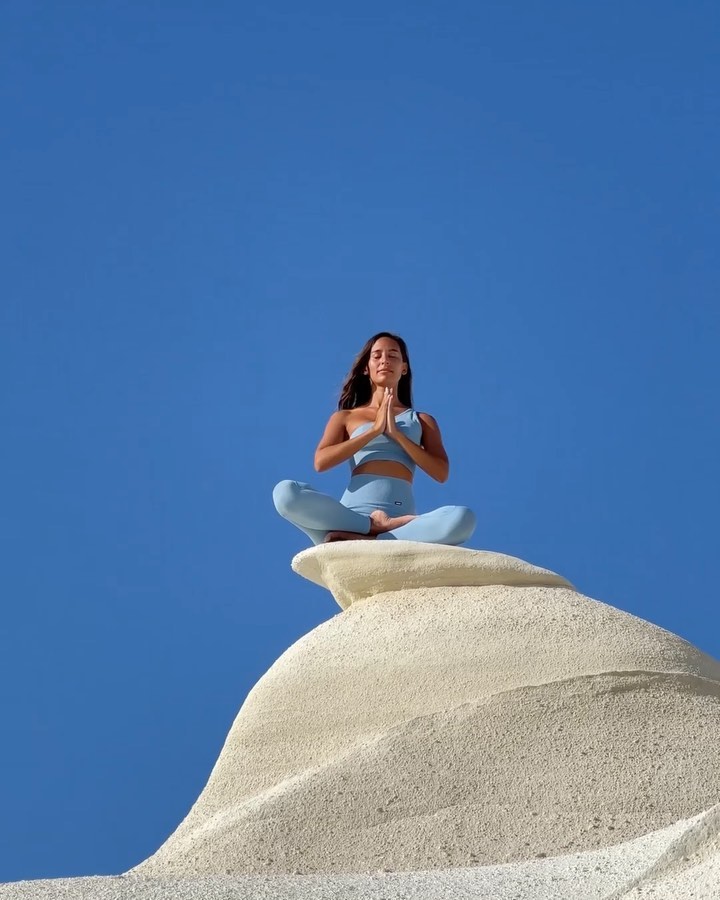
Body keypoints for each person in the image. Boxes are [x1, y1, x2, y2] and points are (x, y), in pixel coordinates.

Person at [272, 332, 476, 545]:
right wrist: (374, 430)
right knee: (285, 493)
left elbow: (441, 472)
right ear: (366, 368)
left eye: (393, 355)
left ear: (404, 368)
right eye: (377, 356)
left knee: (464, 518)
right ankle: (368, 527)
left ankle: (377, 537)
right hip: (349, 517)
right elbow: (321, 462)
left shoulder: (422, 420)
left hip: (399, 523)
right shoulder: (346, 417)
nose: (384, 360)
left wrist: (397, 434)